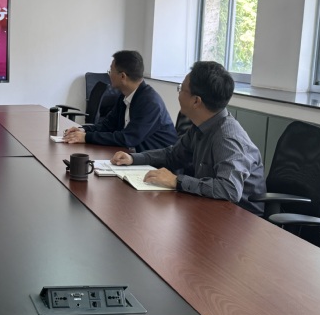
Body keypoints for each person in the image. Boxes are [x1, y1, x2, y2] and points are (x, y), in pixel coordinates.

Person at [111, 61, 266, 214]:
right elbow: (172, 155)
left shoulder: (227, 137)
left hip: (241, 217)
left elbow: (229, 189)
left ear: (196, 101)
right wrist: (133, 158)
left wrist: (176, 181)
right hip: (211, 206)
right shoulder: (201, 126)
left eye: (181, 89)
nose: (178, 94)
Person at [63, 50, 177, 152]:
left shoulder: (150, 103)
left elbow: (127, 138)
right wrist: (83, 130)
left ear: (123, 76)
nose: (109, 75)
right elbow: (107, 126)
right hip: (131, 155)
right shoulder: (124, 96)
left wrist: (86, 137)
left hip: (156, 163)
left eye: (111, 71)